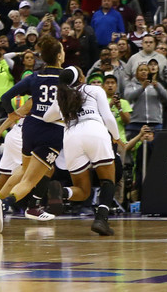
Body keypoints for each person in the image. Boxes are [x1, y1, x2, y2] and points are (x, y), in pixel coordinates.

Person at [0, 36, 67, 223]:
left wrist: (11, 115)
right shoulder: (67, 78)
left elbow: (4, 97)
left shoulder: (35, 76)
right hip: (51, 131)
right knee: (30, 179)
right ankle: (16, 206)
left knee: (23, 172)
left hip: (29, 128)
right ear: (59, 56)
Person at [43, 65, 120, 236]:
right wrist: (117, 136)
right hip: (94, 130)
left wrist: (63, 115)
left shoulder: (61, 97)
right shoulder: (94, 90)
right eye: (83, 73)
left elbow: (47, 117)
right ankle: (101, 219)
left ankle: (62, 192)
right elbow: (107, 116)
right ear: (80, 78)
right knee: (108, 180)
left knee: (83, 190)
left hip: (71, 136)